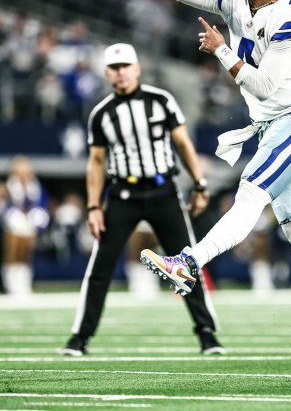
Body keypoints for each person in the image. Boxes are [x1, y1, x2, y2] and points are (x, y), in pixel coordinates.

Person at [99, 0, 291, 371]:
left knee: (249, 194)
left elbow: (264, 85)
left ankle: (188, 262)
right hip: (272, 126)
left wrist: (221, 50)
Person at [60, 43, 224, 356]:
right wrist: (94, 206)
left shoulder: (161, 101)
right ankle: (80, 337)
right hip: (123, 194)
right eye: (114, 68)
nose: (120, 73)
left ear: (136, 68)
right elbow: (95, 163)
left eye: (125, 66)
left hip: (164, 191)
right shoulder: (102, 113)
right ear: (107, 72)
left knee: (187, 262)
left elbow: (183, 143)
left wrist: (200, 184)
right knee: (101, 266)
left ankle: (207, 333)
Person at [1, 156, 50, 296]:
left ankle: (24, 283)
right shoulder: (9, 185)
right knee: (13, 252)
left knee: (26, 253)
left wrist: (37, 216)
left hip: (29, 221)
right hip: (13, 219)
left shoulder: (35, 186)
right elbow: (6, 204)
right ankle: (10, 283)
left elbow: (42, 203)